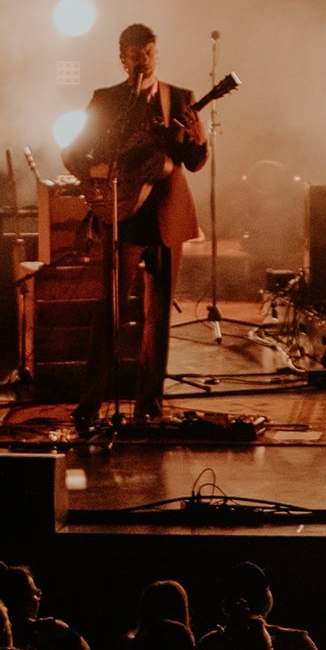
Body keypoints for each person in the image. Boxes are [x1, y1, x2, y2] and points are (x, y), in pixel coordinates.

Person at [60, 22, 209, 424]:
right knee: (108, 311)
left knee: (157, 318)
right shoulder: (106, 100)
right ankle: (90, 404)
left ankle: (149, 406)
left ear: (156, 54)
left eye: (148, 53)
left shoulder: (180, 99)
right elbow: (73, 153)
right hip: (121, 214)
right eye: (134, 55)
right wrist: (97, 176)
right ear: (122, 59)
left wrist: (196, 137)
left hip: (166, 216)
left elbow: (195, 162)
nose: (142, 60)